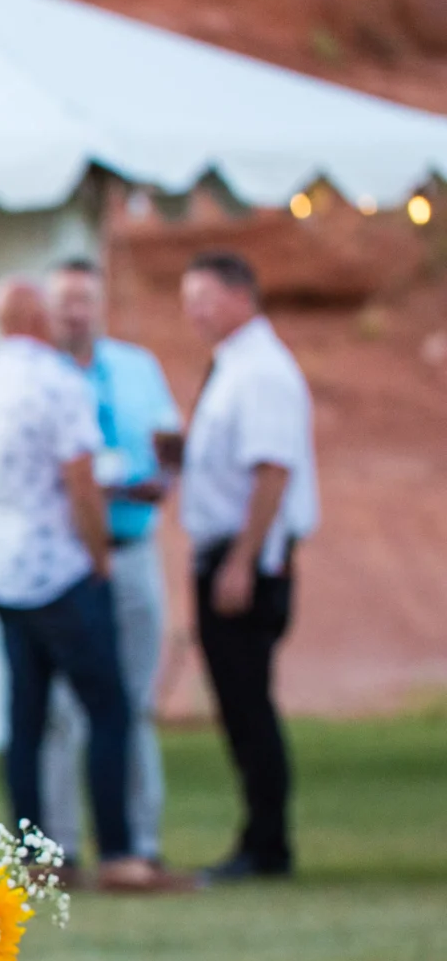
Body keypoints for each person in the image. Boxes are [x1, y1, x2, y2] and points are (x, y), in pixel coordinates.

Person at [0, 276, 174, 892]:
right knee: (108, 707)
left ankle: (36, 857)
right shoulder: (59, 382)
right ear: (35, 317)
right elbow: (82, 481)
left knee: (26, 719)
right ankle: (120, 850)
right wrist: (100, 558)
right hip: (59, 567)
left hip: (3, 567)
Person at [41, 258, 182, 873]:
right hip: (65, 561)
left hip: (130, 550)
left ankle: (137, 843)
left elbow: (168, 442)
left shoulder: (136, 367)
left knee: (133, 699)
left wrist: (160, 476)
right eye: (66, 301)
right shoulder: (37, 375)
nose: (76, 312)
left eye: (85, 300)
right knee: (64, 709)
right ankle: (61, 844)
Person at [179, 250, 316, 883]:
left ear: (241, 295)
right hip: (226, 552)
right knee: (238, 703)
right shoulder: (233, 367)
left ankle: (267, 844)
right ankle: (260, 835)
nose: (193, 312)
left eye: (204, 297)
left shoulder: (260, 371)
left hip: (246, 559)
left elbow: (272, 468)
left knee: (249, 702)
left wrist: (242, 561)